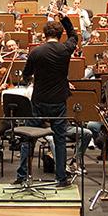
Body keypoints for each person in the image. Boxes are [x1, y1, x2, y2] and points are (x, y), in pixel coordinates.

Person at [15, 18, 80, 186]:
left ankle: (22, 175)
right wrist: (65, 20)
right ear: (60, 34)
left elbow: (26, 74)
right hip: (58, 101)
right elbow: (74, 36)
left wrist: (32, 77)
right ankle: (61, 178)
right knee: (60, 140)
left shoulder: (36, 52)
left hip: (39, 101)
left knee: (28, 138)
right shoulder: (66, 49)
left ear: (44, 35)